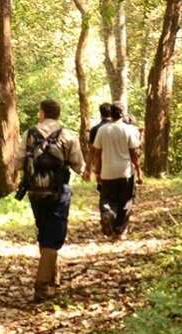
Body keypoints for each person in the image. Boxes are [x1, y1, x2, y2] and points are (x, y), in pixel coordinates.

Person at [16, 99, 85, 302]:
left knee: (44, 231)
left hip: (35, 191)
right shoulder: (68, 135)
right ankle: (42, 283)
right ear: (58, 114)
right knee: (53, 238)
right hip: (58, 191)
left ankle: (53, 276)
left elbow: (18, 162)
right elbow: (78, 165)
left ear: (42, 113)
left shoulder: (29, 134)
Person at [93, 102, 143, 240]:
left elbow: (97, 152)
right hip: (125, 171)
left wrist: (97, 171)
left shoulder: (102, 130)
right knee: (125, 201)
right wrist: (138, 170)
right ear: (123, 113)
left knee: (107, 198)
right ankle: (119, 231)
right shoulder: (128, 130)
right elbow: (134, 153)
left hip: (107, 171)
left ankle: (107, 213)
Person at [82, 103, 112, 183]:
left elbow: (92, 150)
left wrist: (88, 168)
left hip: (102, 165)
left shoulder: (95, 129)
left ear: (101, 114)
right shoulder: (120, 128)